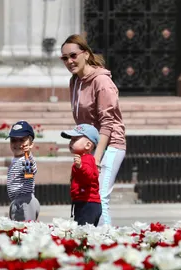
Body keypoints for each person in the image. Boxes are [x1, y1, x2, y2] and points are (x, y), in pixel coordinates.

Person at [61, 34, 126, 227]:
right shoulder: (74, 81)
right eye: (64, 58)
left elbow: (108, 123)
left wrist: (96, 159)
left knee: (99, 195)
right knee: (88, 196)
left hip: (111, 144)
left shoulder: (102, 82)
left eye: (73, 55)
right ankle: (90, 240)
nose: (69, 61)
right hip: (90, 147)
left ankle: (107, 244)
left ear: (86, 54)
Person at [62, 124, 101, 226]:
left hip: (88, 203)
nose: (71, 143)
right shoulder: (83, 159)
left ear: (88, 145)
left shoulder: (87, 160)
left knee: (83, 233)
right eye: (71, 140)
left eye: (75, 140)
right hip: (83, 202)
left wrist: (81, 167)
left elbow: (90, 176)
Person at [5, 121, 40, 222]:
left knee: (24, 230)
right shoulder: (16, 159)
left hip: (25, 201)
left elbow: (32, 168)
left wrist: (28, 154)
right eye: (13, 140)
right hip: (18, 201)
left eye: (21, 140)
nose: (17, 144)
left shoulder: (25, 159)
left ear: (31, 144)